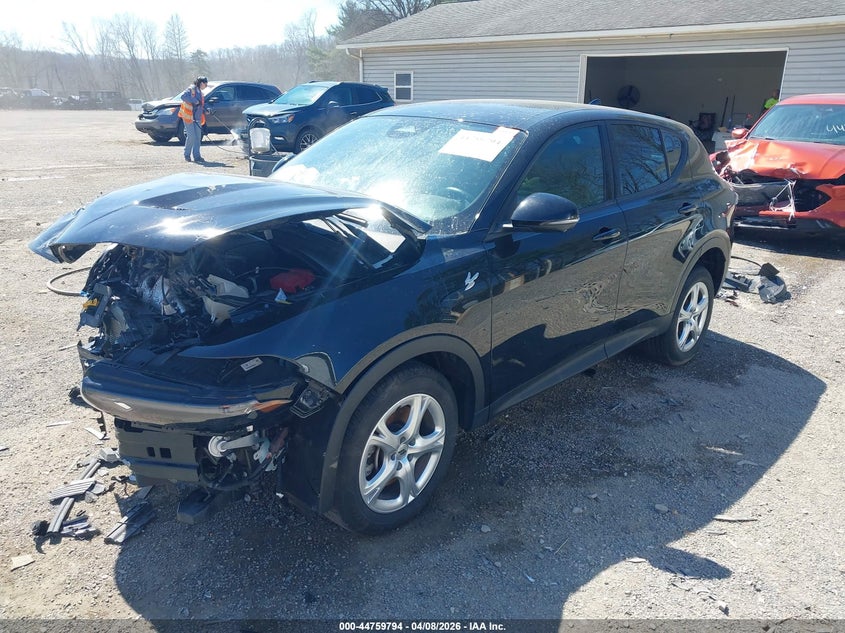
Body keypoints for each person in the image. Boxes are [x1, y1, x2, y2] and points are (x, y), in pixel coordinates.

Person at [178, 76, 208, 162]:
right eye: (205, 84)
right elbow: (183, 97)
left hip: (197, 117)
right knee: (191, 136)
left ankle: (197, 156)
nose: (206, 86)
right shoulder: (191, 89)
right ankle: (187, 154)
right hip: (188, 116)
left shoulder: (200, 92)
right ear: (202, 83)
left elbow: (201, 104)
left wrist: (206, 110)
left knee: (198, 137)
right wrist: (195, 101)